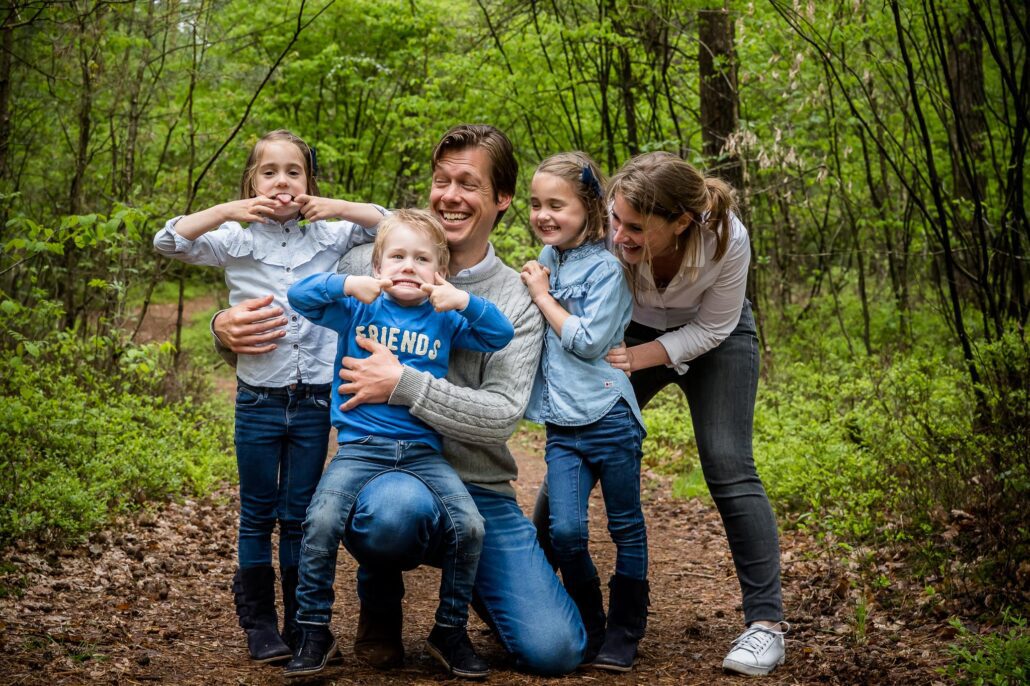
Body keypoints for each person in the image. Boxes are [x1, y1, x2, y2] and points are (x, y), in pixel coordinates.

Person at [211, 124, 587, 676]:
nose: (450, 196)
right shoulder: (372, 261)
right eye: (441, 181)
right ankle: (380, 602)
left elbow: (501, 414)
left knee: (557, 651)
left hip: (477, 485)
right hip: (385, 472)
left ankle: (478, 589)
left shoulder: (515, 295)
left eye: (469, 184)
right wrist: (223, 329)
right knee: (392, 514)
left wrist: (404, 384)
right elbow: (294, 318)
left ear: (503, 199)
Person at [153, 129, 385, 664]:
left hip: (313, 399)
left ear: (308, 183)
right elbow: (169, 240)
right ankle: (258, 622)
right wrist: (230, 209)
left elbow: (391, 222)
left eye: (294, 172)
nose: (282, 181)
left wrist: (336, 207)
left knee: (298, 514)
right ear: (252, 182)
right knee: (257, 514)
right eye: (268, 172)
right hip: (258, 397)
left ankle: (300, 623)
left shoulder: (328, 237)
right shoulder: (237, 238)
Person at [281, 209, 514, 679]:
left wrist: (462, 301)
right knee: (321, 519)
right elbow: (298, 296)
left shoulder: (443, 316)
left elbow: (499, 334)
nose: (409, 266)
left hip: (424, 454)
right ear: (377, 268)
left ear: (439, 273)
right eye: (398, 256)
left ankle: (449, 631)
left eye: (422, 259)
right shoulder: (358, 307)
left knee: (469, 526)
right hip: (361, 448)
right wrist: (346, 286)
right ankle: (313, 630)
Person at [601, 150, 787, 675]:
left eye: (636, 227)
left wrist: (639, 360)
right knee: (583, 440)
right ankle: (538, 588)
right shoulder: (607, 226)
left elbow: (710, 330)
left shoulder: (728, 238)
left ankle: (765, 627)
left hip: (716, 337)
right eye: (616, 220)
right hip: (630, 329)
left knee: (729, 463)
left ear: (681, 222)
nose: (619, 236)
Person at [519, 152, 648, 671]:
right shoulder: (548, 260)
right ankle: (590, 620)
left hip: (609, 418)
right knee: (565, 532)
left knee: (625, 527)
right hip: (563, 425)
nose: (544, 215)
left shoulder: (609, 268)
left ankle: (625, 629)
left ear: (590, 207)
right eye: (535, 204)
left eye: (557, 205)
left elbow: (589, 341)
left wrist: (542, 296)